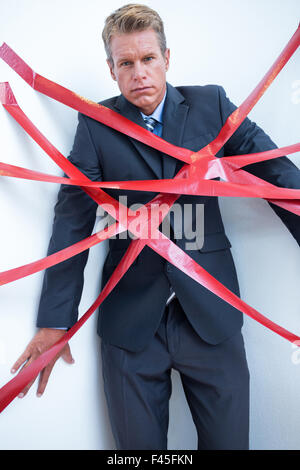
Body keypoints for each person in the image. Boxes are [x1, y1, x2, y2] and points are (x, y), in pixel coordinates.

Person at [11, 4, 300, 450]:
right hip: (130, 329)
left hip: (212, 318)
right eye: (125, 63)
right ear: (111, 69)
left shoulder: (211, 105)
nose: (139, 73)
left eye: (148, 59)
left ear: (168, 58)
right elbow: (72, 219)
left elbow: (274, 172)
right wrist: (54, 322)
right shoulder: (95, 126)